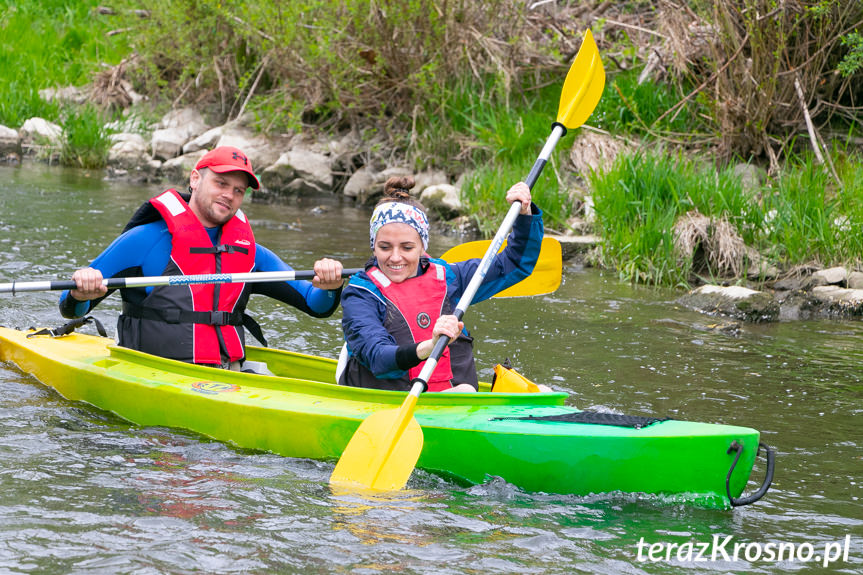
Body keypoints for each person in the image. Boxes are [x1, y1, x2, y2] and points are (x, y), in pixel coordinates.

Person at [59, 146, 344, 370]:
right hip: (153, 371)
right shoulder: (144, 240)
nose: (229, 195)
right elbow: (71, 309)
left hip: (227, 372)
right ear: (195, 179)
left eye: (238, 190)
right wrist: (82, 290)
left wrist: (329, 285)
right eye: (221, 183)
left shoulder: (249, 252)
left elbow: (315, 305)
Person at [338, 175, 544, 392]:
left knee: (541, 391)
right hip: (390, 402)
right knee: (464, 391)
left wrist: (524, 216)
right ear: (373, 247)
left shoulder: (448, 278)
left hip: (456, 398)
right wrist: (429, 346)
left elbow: (514, 264)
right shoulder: (361, 294)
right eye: (385, 247)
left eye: (407, 248)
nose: (395, 257)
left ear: (422, 247)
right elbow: (376, 356)